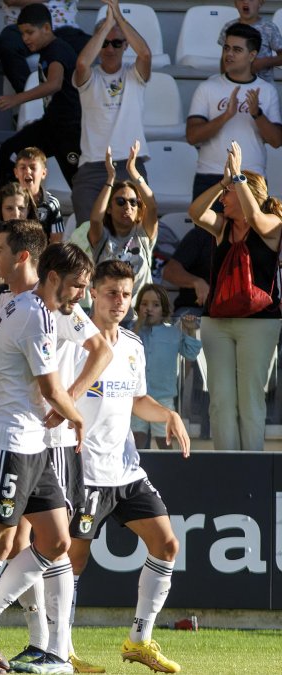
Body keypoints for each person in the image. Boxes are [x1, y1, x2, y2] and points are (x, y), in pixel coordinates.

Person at [0, 228, 111, 674]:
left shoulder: (59, 308)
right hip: (21, 433)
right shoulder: (16, 306)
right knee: (14, 542)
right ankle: (28, 642)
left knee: (49, 543)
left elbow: (101, 350)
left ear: (24, 256)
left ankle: (46, 646)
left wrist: (69, 399)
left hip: (51, 435)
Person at [67, 260, 190, 675]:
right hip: (84, 470)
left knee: (167, 544)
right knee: (72, 561)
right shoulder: (75, 342)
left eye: (125, 293)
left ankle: (138, 641)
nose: (119, 301)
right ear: (92, 294)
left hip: (126, 470)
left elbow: (138, 400)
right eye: (110, 293)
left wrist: (167, 414)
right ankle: (60, 647)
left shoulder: (133, 345)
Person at [187, 142, 281, 452]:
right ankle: (226, 468)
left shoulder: (273, 225)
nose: (224, 200)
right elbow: (195, 212)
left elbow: (255, 219)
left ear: (247, 194)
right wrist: (222, 182)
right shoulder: (222, 228)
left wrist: (239, 176)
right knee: (221, 402)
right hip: (218, 321)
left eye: (228, 195)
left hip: (259, 323)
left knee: (250, 401)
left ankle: (250, 474)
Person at [70, 0, 151, 220]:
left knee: (134, 236)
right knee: (87, 236)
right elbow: (82, 65)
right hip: (92, 167)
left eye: (116, 43)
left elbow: (145, 54)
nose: (110, 49)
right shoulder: (89, 76)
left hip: (130, 165)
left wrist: (119, 18)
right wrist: (107, 24)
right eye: (104, 43)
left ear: (126, 45)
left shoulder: (134, 74)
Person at [185, 23, 282, 201]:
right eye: (226, 48)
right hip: (210, 176)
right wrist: (226, 116)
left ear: (252, 55)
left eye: (237, 50)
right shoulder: (207, 88)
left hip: (252, 177)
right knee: (205, 230)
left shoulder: (267, 91)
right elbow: (192, 136)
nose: (229, 54)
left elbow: (276, 141)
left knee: (249, 230)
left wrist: (257, 114)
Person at [0, 5, 83, 189]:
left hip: (70, 131)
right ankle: (10, 209)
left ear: (46, 28)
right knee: (10, 151)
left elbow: (54, 83)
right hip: (51, 126)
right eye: (22, 33)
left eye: (29, 32)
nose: (25, 38)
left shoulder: (57, 50)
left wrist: (17, 99)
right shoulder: (47, 51)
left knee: (79, 185)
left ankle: (97, 217)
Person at [84, 142, 158, 301]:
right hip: (107, 313)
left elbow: (151, 206)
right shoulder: (102, 238)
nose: (128, 206)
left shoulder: (143, 235)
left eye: (133, 202)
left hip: (140, 316)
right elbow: (96, 219)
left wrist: (132, 170)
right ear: (109, 208)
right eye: (120, 202)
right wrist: (110, 177)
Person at [131, 284, 201, 449]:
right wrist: (138, 325)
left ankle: (169, 471)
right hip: (136, 396)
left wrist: (190, 331)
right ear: (137, 307)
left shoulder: (173, 332)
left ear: (164, 309)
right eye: (144, 304)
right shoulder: (131, 331)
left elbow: (191, 353)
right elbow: (125, 349)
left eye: (155, 305)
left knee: (164, 440)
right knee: (137, 439)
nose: (149, 309)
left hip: (163, 396)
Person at [0, 0, 90, 92]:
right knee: (7, 44)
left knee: (88, 46)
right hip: (22, 28)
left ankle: (69, 98)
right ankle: (29, 96)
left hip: (62, 28)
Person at [219, 0, 282, 82]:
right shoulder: (228, 27)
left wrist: (264, 62)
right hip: (235, 83)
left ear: (261, 2)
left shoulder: (269, 28)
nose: (245, 2)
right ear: (235, 3)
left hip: (263, 85)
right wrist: (224, 80)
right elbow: (224, 57)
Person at [13, 147, 65, 243]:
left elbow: (56, 240)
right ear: (16, 172)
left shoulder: (51, 203)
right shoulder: (8, 200)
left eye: (33, 167)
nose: (27, 171)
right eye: (23, 167)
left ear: (44, 173)